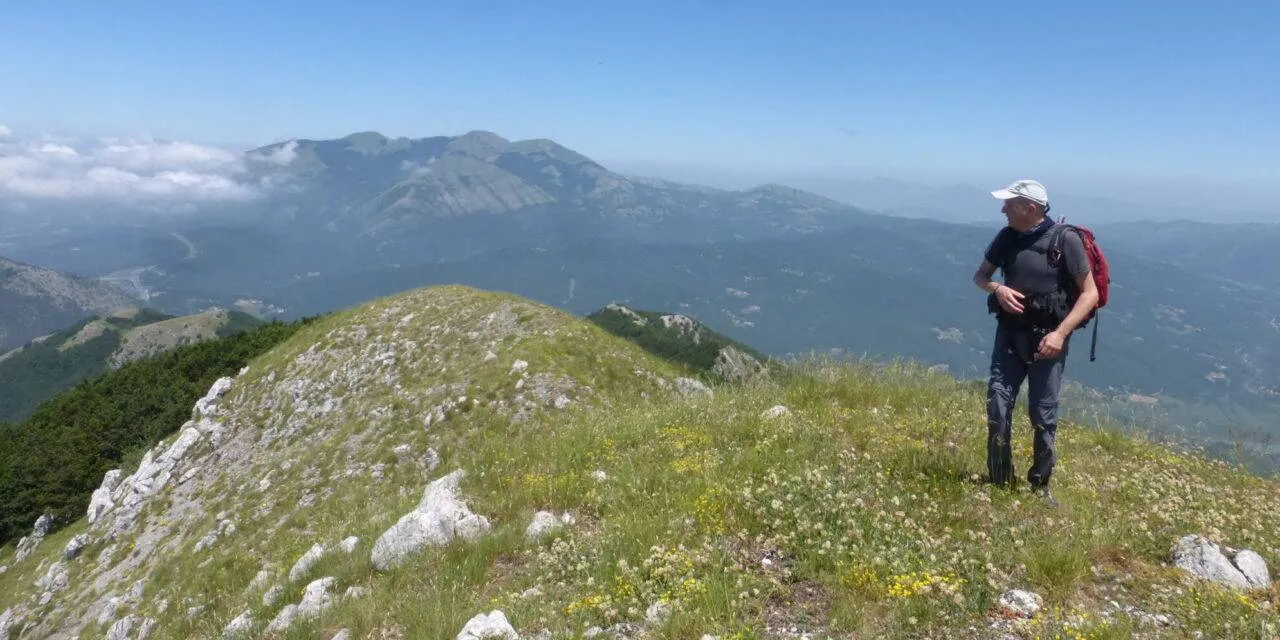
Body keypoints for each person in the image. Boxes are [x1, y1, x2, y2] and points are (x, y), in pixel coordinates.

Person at [972, 179, 1099, 505]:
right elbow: (980, 276)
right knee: (997, 405)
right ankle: (999, 480)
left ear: (1030, 209)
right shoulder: (1006, 237)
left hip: (1048, 343)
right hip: (1010, 335)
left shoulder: (1064, 240)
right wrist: (997, 290)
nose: (1002, 210)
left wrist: (1060, 334)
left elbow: (1090, 294)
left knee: (1043, 415)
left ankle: (1040, 485)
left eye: (1009, 205)